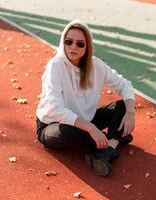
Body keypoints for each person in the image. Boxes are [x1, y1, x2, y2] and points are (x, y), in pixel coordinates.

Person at [36, 19, 135, 176]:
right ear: (63, 43)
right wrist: (91, 129)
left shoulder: (96, 65)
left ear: (87, 46)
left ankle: (108, 150)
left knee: (122, 106)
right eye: (69, 42)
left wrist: (130, 112)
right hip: (53, 125)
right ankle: (112, 140)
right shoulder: (55, 66)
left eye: (80, 44)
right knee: (68, 131)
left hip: (85, 120)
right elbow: (54, 108)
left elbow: (124, 84)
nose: (73, 47)